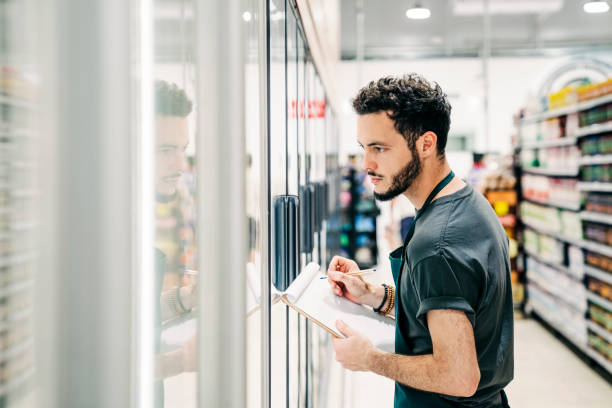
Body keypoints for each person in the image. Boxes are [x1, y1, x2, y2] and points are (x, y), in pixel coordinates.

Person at [327, 74, 513, 408]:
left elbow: (459, 376)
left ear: (426, 144)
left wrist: (370, 358)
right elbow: (444, 313)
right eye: (363, 148)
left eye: (380, 148)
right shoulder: (468, 203)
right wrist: (372, 295)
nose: (367, 164)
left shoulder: (437, 243)